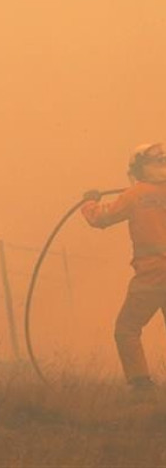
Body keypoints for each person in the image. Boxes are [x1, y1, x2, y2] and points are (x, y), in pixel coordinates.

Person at [82, 142, 166, 393]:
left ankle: (141, 385)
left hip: (151, 278)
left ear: (138, 168)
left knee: (127, 330)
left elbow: (100, 218)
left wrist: (89, 201)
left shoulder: (135, 195)